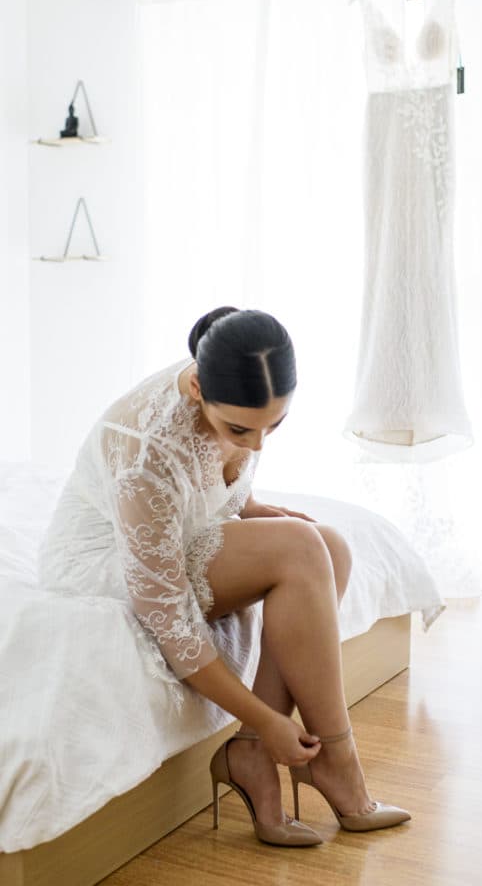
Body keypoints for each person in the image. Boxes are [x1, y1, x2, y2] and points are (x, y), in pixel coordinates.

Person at [37, 306, 410, 847]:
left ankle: (251, 752)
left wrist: (249, 506)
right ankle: (335, 759)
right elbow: (171, 625)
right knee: (302, 550)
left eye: (273, 425)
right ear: (195, 387)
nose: (257, 444)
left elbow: (222, 465)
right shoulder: (144, 448)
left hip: (176, 532)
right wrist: (268, 717)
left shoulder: (234, 381)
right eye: (240, 429)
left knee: (330, 547)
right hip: (106, 561)